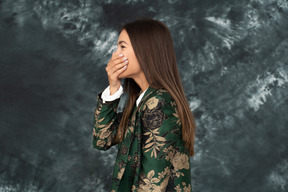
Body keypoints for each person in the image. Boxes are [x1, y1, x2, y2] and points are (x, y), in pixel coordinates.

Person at [92, 17, 196, 192]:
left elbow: (153, 183)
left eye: (122, 46)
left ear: (145, 51)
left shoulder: (159, 103)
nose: (115, 54)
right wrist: (114, 87)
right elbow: (102, 139)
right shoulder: (142, 100)